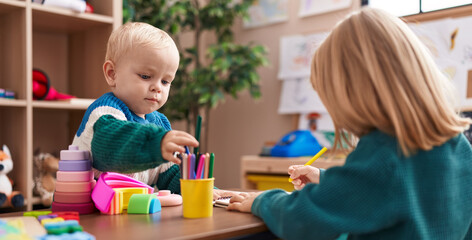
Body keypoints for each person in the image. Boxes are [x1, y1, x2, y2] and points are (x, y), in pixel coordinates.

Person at [227, 8, 472, 239]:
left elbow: (301, 220)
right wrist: (327, 180)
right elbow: (395, 193)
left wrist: (262, 201)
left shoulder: (383, 154)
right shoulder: (457, 144)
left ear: (354, 95)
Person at [72, 22, 201, 195]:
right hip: (86, 213)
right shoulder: (104, 113)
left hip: (126, 214)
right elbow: (112, 146)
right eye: (146, 76)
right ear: (112, 74)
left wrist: (199, 190)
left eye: (165, 81)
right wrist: (157, 144)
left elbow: (169, 175)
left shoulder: (159, 123)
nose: (158, 88)